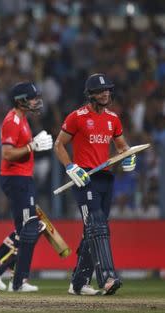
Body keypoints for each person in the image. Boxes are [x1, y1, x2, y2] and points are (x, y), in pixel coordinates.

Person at [54, 73, 135, 296]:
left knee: (94, 230)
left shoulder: (113, 119)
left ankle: (78, 283)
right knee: (98, 224)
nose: (105, 93)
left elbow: (121, 146)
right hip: (84, 179)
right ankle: (107, 277)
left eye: (107, 89)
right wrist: (70, 167)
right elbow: (59, 144)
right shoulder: (76, 117)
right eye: (100, 91)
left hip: (105, 178)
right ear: (90, 95)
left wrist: (128, 156)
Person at [0, 82, 53, 292]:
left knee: (27, 229)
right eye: (32, 98)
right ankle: (15, 279)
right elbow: (7, 154)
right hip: (16, 178)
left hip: (22, 177)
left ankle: (10, 276)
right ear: (20, 100)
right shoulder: (12, 121)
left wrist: (31, 147)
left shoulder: (22, 119)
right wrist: (32, 146)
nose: (36, 101)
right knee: (29, 229)